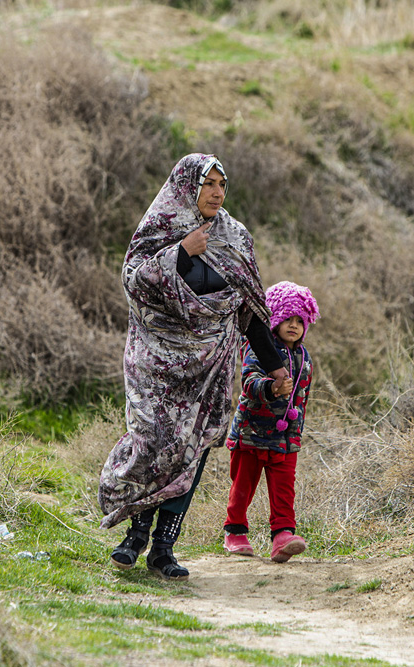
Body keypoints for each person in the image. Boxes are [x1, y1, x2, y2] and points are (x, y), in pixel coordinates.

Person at [98, 153, 289, 581]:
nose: (218, 192)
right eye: (209, 184)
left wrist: (274, 366)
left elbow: (250, 308)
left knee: (194, 445)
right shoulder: (161, 228)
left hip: (210, 368)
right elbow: (135, 281)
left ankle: (164, 547)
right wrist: (181, 253)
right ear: (188, 185)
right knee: (152, 440)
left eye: (223, 184)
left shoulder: (235, 237)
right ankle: (135, 535)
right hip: (157, 365)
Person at [222, 281, 318, 563]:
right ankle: (235, 531)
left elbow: (303, 397)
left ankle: (283, 535)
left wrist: (295, 430)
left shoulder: (304, 357)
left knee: (284, 489)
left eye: (300, 320)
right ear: (273, 318)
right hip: (251, 433)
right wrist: (271, 388)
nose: (294, 325)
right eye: (287, 317)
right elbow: (249, 381)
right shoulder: (258, 347)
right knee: (242, 486)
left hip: (285, 438)